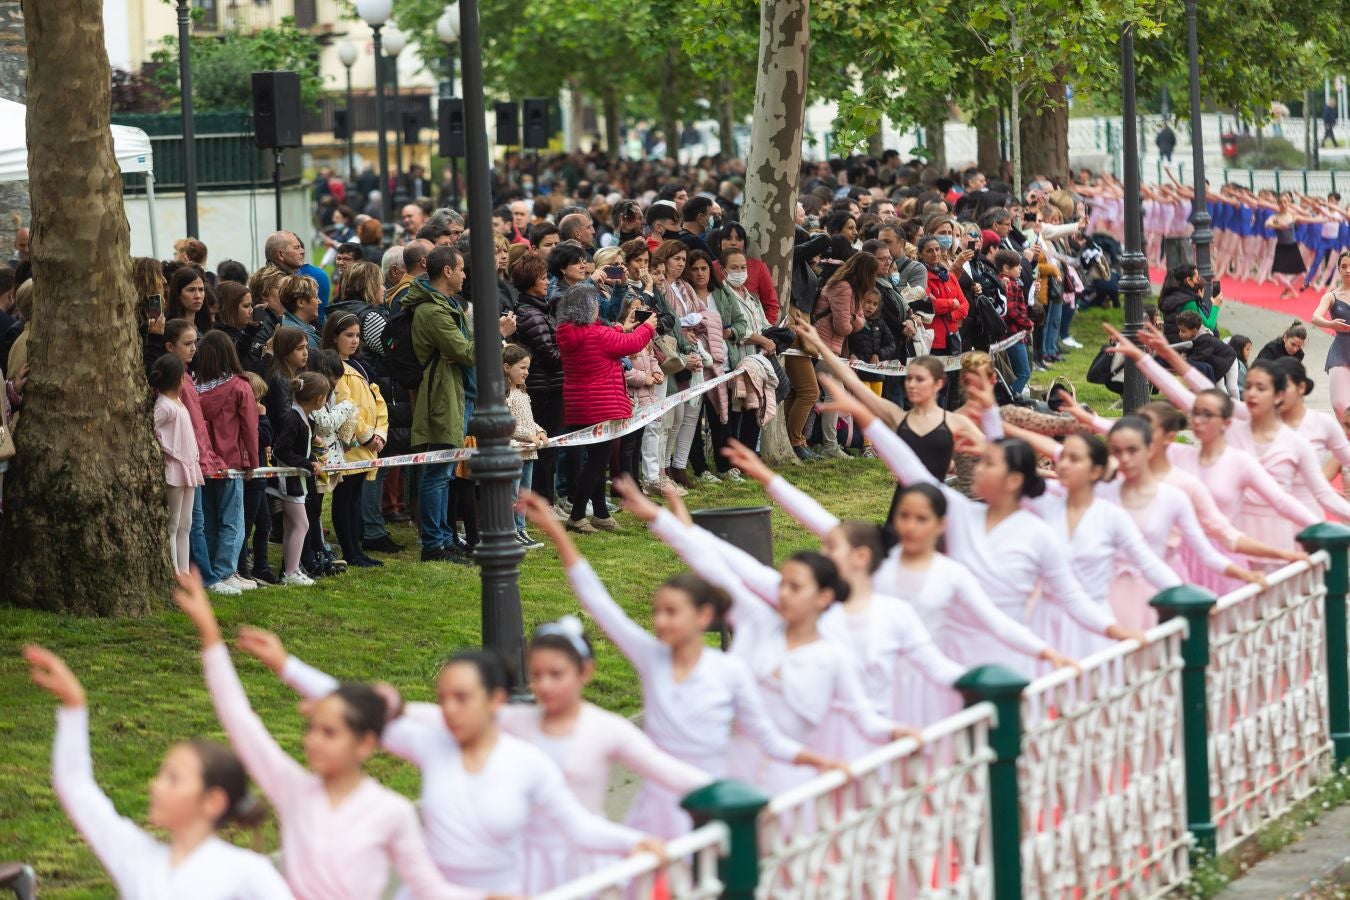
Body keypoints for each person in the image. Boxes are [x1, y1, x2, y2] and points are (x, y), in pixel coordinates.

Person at [518, 490, 841, 838]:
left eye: (672, 612)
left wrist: (818, 761)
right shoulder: (649, 656)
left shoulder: (729, 671)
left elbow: (768, 738)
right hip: (658, 808)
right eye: (657, 612)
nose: (660, 622)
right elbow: (599, 603)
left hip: (713, 802)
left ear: (704, 616)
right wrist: (555, 530)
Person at [172, 573, 490, 899]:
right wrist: (211, 639)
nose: (314, 741)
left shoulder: (391, 813)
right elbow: (241, 722)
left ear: (366, 744)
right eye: (312, 730)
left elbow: (429, 888)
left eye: (329, 733)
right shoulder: (292, 789)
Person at [821, 374, 1147, 672]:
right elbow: (913, 471)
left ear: (1013, 480)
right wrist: (866, 419)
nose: (976, 468)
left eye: (987, 463)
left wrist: (1115, 630)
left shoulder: (1039, 530)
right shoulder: (963, 514)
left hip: (1013, 655)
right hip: (952, 658)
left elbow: (1072, 597)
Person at [23, 645, 293, 900]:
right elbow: (75, 787)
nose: (155, 785)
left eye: (174, 779)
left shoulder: (247, 873)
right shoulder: (135, 857)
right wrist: (73, 706)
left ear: (213, 802)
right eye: (162, 775)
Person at [555, 283, 655, 533]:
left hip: (579, 405)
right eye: (596, 304)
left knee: (595, 462)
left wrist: (623, 326)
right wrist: (648, 328)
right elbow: (630, 344)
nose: (599, 307)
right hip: (602, 405)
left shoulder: (569, 333)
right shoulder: (598, 336)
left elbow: (610, 338)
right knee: (598, 462)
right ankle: (577, 516)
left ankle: (600, 513)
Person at [405, 246, 476, 562]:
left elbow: (463, 351)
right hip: (442, 395)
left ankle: (446, 538)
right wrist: (496, 336)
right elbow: (468, 354)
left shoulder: (446, 305)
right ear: (447, 271)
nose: (464, 275)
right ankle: (434, 543)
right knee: (438, 473)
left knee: (447, 472)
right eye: (460, 269)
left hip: (456, 391)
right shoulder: (432, 310)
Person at [321, 311, 389, 569]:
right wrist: (367, 436)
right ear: (334, 337)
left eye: (358, 336)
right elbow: (346, 406)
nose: (355, 340)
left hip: (368, 446)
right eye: (349, 335)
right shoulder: (334, 367)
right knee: (345, 499)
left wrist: (380, 433)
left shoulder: (360, 366)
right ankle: (350, 551)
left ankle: (357, 551)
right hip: (350, 448)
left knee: (356, 499)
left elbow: (378, 401)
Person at [194, 331, 260, 593]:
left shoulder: (193, 388)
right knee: (233, 521)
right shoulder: (240, 386)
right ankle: (226, 571)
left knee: (208, 519)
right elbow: (249, 428)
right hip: (232, 462)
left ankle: (211, 570)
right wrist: (253, 461)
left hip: (204, 463)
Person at [811, 251, 878, 459]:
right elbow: (843, 327)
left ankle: (827, 443)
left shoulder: (850, 288)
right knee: (833, 395)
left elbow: (859, 320)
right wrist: (853, 319)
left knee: (832, 395)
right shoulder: (843, 287)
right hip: (825, 347)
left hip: (832, 348)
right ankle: (829, 445)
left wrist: (854, 319)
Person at [267, 372, 329, 586]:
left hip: (296, 479)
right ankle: (292, 571)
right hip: (288, 480)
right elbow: (281, 450)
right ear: (319, 399)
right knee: (301, 524)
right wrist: (307, 463)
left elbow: (302, 448)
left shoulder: (305, 418)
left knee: (293, 525)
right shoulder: (293, 418)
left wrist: (311, 459)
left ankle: (290, 570)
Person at [150, 353, 202, 575]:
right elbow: (153, 428)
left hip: (188, 466)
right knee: (173, 522)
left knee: (186, 523)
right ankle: (174, 570)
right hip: (175, 466)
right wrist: (168, 450)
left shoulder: (178, 403)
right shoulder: (164, 405)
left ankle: (184, 570)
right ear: (179, 378)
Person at [504, 344, 547, 549]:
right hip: (514, 453)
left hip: (529, 452)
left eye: (527, 368)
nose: (526, 372)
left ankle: (521, 529)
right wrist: (529, 434)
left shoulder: (522, 393)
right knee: (512, 494)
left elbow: (529, 421)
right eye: (522, 368)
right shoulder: (505, 396)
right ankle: (511, 531)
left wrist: (540, 431)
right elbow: (508, 424)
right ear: (506, 367)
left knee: (523, 494)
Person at [1309, 252, 1350, 421]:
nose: (1348, 270)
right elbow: (1315, 317)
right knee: (1339, 404)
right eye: (1344, 266)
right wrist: (1330, 324)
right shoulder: (1331, 296)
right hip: (1340, 351)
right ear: (1338, 270)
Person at [1175, 310, 1238, 394]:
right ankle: (1224, 404)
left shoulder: (1205, 340)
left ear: (1194, 331)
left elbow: (1199, 356)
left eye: (1183, 331)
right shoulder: (1193, 336)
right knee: (1219, 387)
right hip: (1217, 364)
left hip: (1229, 358)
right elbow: (1189, 348)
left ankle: (1236, 404)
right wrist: (1185, 354)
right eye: (1179, 330)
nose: (1180, 334)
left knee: (1232, 388)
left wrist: (1185, 360)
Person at [279, 275, 322, 350]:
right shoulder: (305, 338)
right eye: (315, 297)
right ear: (300, 302)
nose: (319, 302)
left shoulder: (286, 323)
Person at [167, 265, 212, 337]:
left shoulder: (205, 326)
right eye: (191, 290)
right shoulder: (168, 329)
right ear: (178, 293)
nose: (198, 296)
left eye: (201, 289)